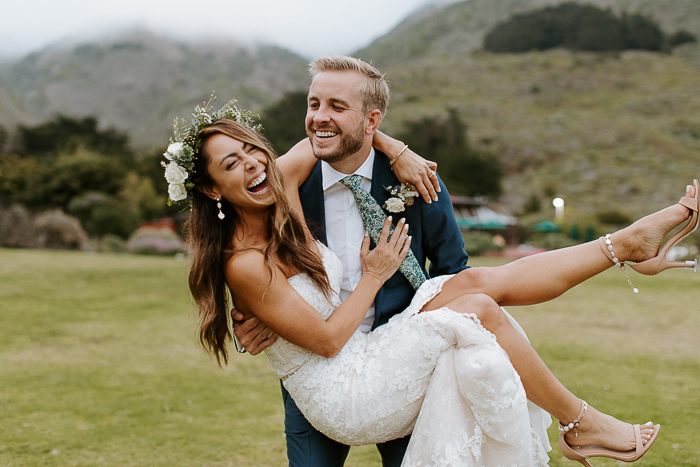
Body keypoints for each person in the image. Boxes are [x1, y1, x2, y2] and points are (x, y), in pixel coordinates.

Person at [164, 102, 698, 465]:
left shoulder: (277, 185)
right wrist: (374, 277)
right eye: (231, 164)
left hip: (372, 352)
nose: (253, 165)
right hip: (342, 389)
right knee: (478, 307)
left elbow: (330, 135)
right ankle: (580, 421)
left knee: (473, 283)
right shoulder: (244, 261)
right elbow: (326, 341)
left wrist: (398, 150)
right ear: (212, 188)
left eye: (252, 150)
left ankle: (622, 247)